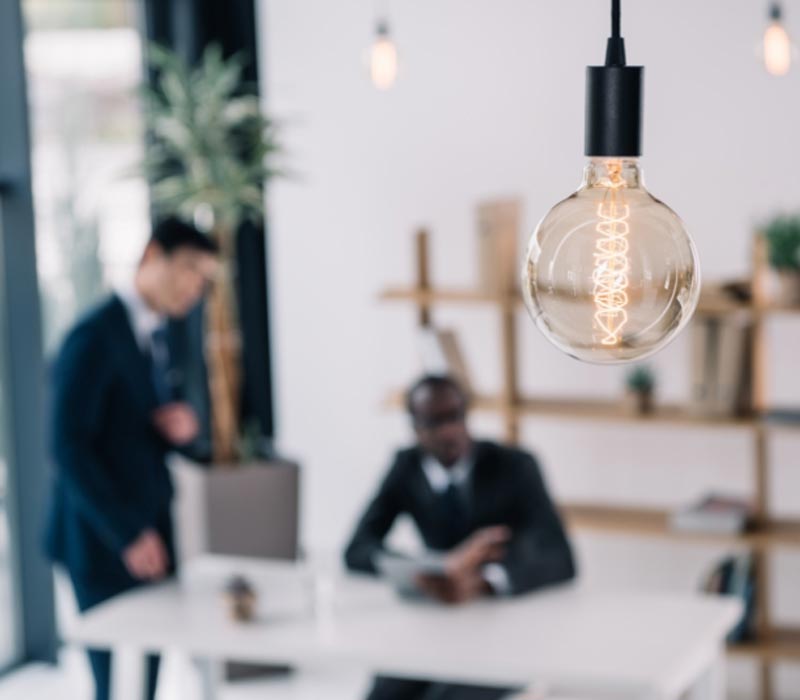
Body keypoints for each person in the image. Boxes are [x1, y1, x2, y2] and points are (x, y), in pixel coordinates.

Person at [44, 217, 219, 700]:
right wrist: (127, 533)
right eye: (189, 269)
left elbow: (133, 426)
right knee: (118, 687)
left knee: (145, 681)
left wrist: (180, 431)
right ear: (151, 256)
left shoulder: (163, 333)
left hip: (150, 532)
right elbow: (67, 447)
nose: (195, 287)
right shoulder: (94, 336)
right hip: (103, 541)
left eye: (204, 278)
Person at [344, 374, 576, 700]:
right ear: (415, 427)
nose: (449, 431)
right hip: (434, 628)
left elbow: (561, 557)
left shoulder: (515, 465)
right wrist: (430, 568)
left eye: (455, 416)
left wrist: (482, 581)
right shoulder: (406, 467)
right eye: (434, 422)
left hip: (505, 636)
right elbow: (357, 549)